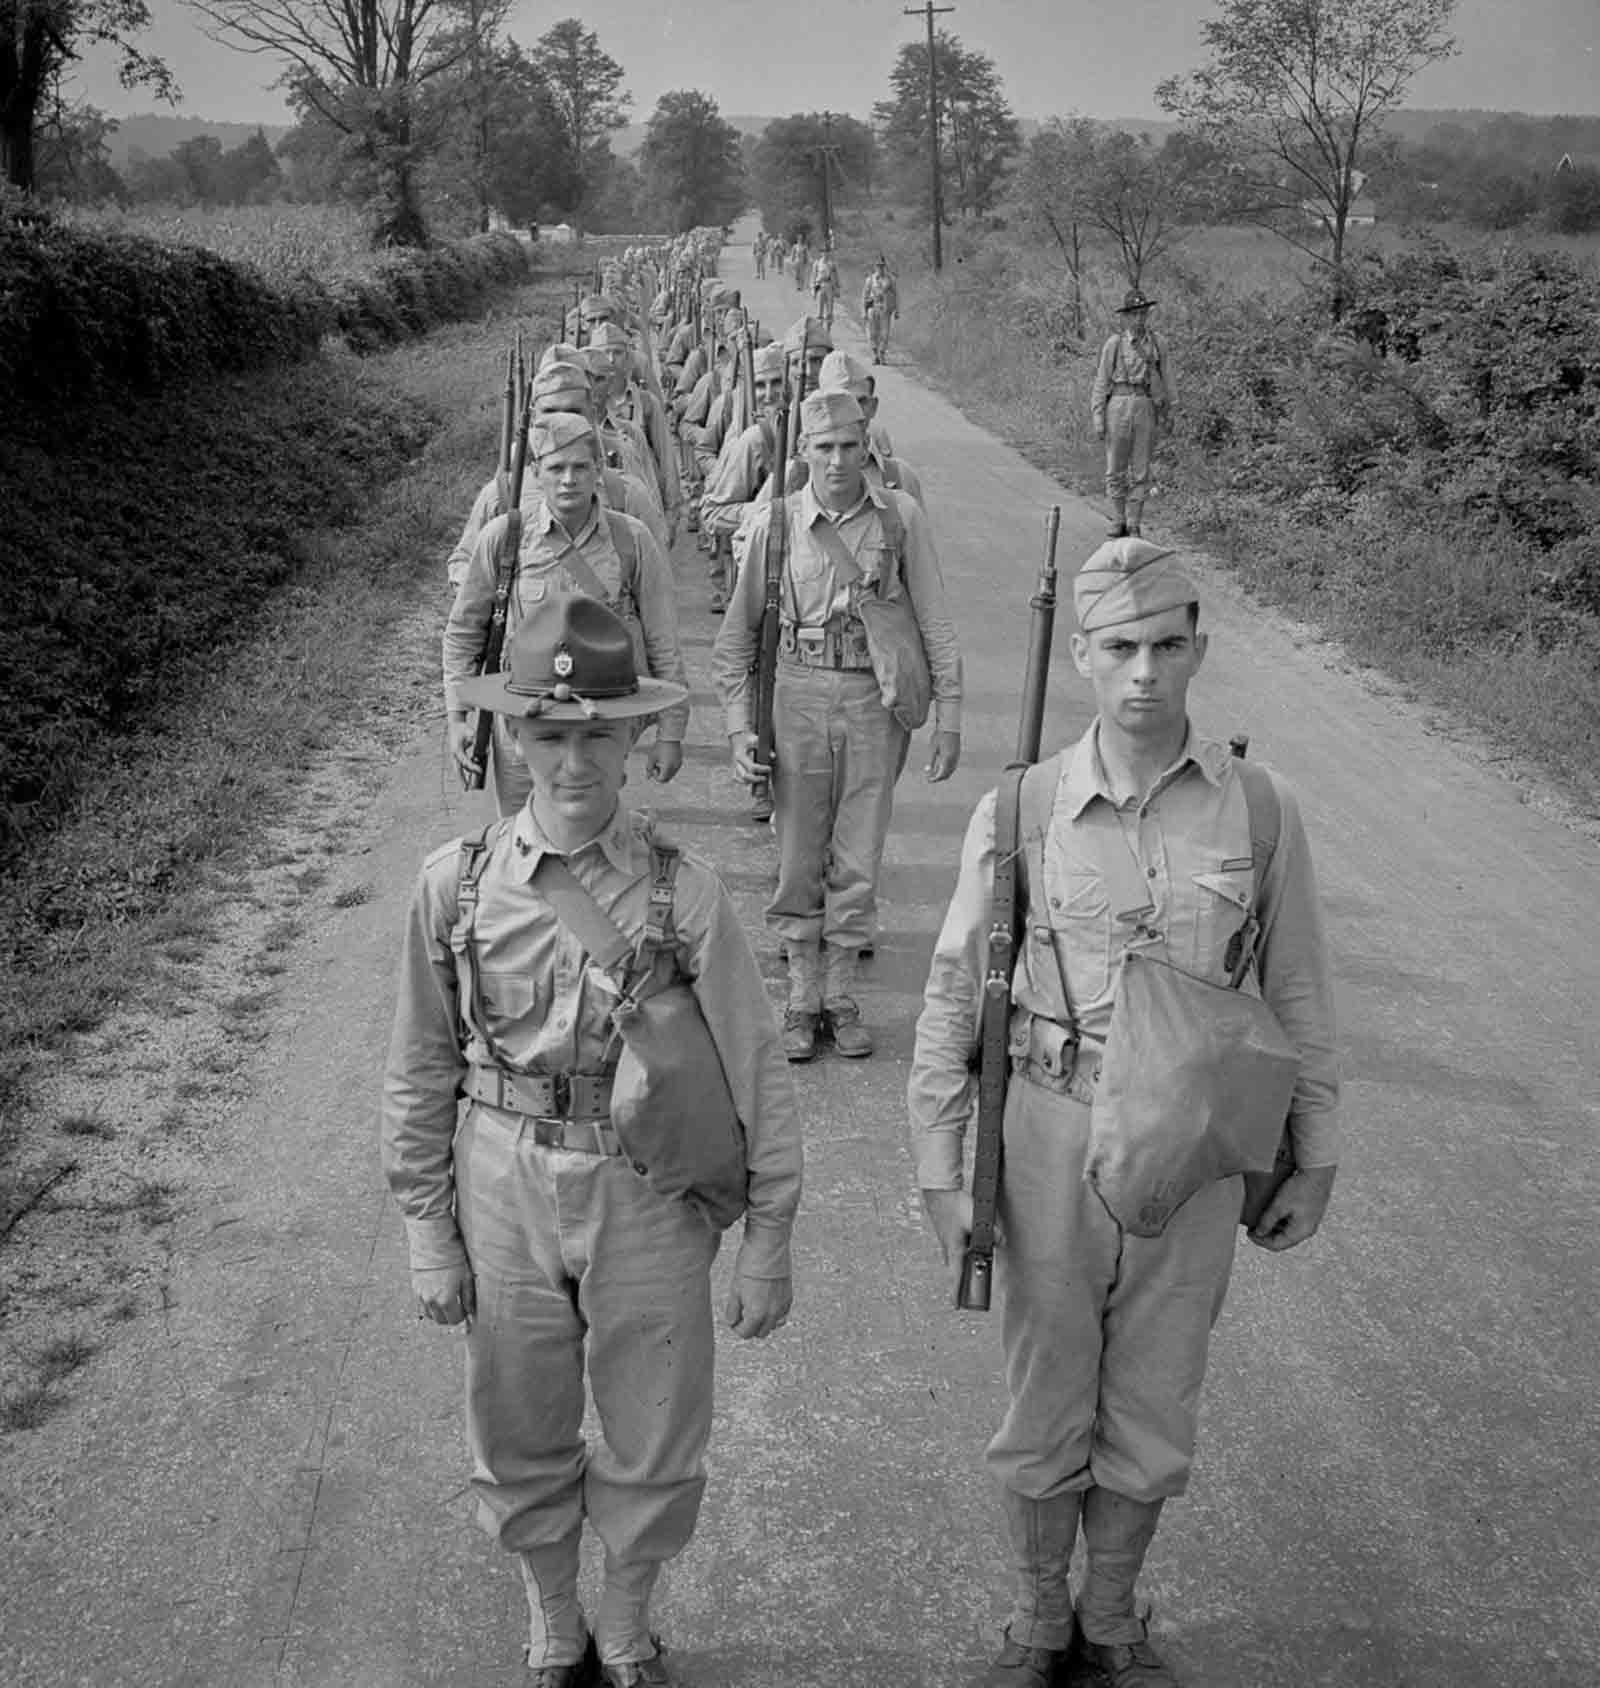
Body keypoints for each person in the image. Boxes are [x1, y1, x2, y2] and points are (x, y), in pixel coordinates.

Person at [907, 538, 1340, 1688]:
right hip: (1049, 1132)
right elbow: (957, 991)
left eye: (1164, 646)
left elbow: (1295, 987)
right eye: (1118, 650)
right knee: (1045, 1391)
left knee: (1154, 1394)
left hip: (1191, 1152)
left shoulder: (1258, 806)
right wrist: (942, 1170)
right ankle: (1037, 1618)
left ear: (1197, 648)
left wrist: (1314, 1154)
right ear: (1084, 662)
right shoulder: (1023, 806)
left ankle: (1111, 1617)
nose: (1143, 673)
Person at [384, 592, 802, 1688]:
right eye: (552, 734)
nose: (574, 760)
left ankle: (625, 1615)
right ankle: (551, 1614)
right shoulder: (456, 886)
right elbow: (422, 1063)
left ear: (635, 740)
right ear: (516, 738)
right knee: (517, 1416)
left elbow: (756, 1067)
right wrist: (428, 1227)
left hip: (647, 1190)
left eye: (598, 734)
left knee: (654, 1424)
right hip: (503, 1178)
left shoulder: (685, 895)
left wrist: (769, 1234)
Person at [712, 389, 964, 1063]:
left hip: (873, 702)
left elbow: (934, 619)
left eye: (850, 447)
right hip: (796, 693)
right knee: (798, 852)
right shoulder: (776, 524)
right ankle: (801, 994)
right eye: (823, 448)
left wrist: (951, 717)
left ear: (868, 449)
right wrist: (740, 731)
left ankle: (842, 993)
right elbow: (737, 639)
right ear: (802, 454)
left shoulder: (900, 518)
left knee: (859, 852)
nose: (837, 461)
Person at [444, 413, 690, 815]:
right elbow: (464, 632)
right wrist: (458, 716)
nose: (568, 479)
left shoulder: (632, 539)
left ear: (599, 469)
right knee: (522, 840)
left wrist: (671, 732)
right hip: (524, 718)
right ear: (537, 473)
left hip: (602, 722)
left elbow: (663, 638)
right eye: (556, 468)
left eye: (580, 467)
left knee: (590, 836)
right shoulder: (504, 539)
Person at [1090, 289, 1173, 539]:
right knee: (1115, 466)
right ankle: (1118, 518)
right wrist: (1098, 416)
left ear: (1147, 315)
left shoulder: (1158, 343)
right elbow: (1101, 381)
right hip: (1118, 402)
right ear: (1125, 317)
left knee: (1141, 468)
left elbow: (1168, 379)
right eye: (1133, 314)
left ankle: (1134, 521)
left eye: (1142, 314)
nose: (1138, 319)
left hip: (1145, 404)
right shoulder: (1114, 344)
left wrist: (1169, 410)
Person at [861, 257, 898, 365]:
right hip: (872, 308)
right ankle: (875, 354)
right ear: (875, 266)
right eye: (878, 265)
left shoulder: (890, 279)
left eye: (882, 265)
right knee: (872, 334)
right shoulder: (870, 280)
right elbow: (864, 296)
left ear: (884, 266)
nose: (880, 268)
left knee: (885, 334)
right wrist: (863, 311)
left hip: (885, 309)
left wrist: (897, 310)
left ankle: (881, 353)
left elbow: (896, 295)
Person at [809, 246, 839, 333]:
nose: (825, 254)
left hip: (829, 286)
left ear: (829, 253)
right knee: (819, 311)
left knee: (829, 310)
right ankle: (820, 331)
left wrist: (837, 289)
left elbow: (836, 278)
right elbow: (813, 277)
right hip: (820, 286)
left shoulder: (832, 264)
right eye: (823, 252)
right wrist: (813, 289)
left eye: (826, 252)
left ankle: (828, 330)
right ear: (820, 253)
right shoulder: (817, 263)